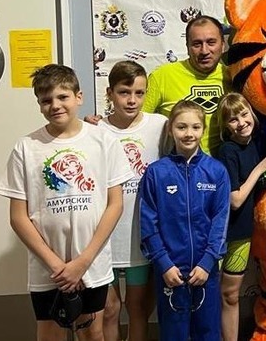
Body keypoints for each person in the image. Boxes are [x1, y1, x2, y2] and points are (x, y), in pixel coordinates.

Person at [0, 64, 133, 341]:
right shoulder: (27, 147)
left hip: (91, 262)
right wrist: (57, 266)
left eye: (63, 97)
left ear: (79, 97)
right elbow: (18, 217)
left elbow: (115, 205)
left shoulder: (103, 140)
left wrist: (82, 262)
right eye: (46, 100)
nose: (55, 105)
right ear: (39, 105)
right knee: (50, 334)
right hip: (48, 269)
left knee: (92, 333)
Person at [139, 100, 231, 341]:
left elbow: (220, 221)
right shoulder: (156, 172)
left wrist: (208, 261)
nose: (189, 133)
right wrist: (163, 263)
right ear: (171, 129)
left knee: (208, 333)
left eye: (195, 127)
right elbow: (148, 223)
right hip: (170, 271)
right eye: (181, 127)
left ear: (203, 129)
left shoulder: (217, 171)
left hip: (205, 270)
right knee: (173, 333)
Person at [99, 61, 167, 341]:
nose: (132, 100)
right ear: (110, 93)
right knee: (109, 310)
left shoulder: (160, 125)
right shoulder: (96, 130)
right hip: (106, 239)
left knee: (138, 308)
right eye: (124, 92)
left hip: (142, 236)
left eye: (139, 93)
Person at [214, 92, 266, 341]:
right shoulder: (228, 150)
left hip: (243, 234)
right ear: (226, 126)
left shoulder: (260, 143)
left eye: (244, 114)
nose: (241, 123)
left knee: (231, 294)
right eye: (233, 119)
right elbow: (235, 199)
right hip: (221, 234)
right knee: (211, 293)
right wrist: (259, 169)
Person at [142, 15, 227, 154]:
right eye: (197, 44)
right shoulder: (162, 76)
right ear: (187, 47)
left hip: (224, 165)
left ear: (223, 45)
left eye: (211, 42)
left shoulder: (234, 77)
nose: (204, 51)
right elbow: (136, 123)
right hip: (176, 164)